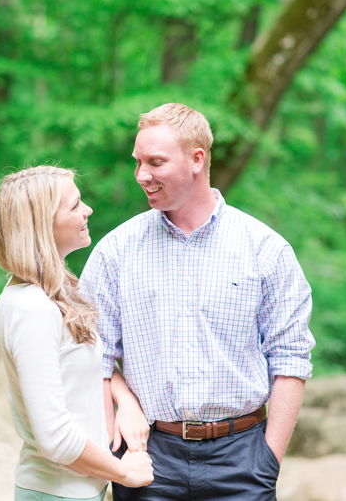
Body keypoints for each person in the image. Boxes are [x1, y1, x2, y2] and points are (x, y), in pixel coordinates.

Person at [80, 104, 316, 501]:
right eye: (137, 162)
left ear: (196, 159)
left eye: (155, 162)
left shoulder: (266, 250)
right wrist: (115, 454)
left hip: (243, 458)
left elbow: (291, 357)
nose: (142, 175)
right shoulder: (115, 252)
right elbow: (94, 357)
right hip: (148, 457)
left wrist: (267, 461)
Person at [0, 166, 155, 501]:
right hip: (57, 491)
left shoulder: (50, 294)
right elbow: (54, 436)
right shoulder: (31, 309)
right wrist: (124, 472)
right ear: (42, 225)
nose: (87, 210)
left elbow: (83, 372)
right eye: (75, 205)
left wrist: (124, 399)